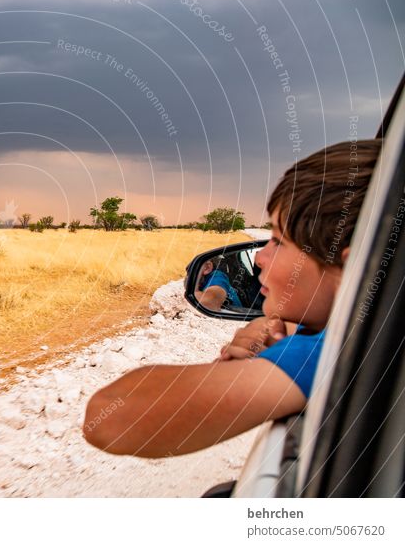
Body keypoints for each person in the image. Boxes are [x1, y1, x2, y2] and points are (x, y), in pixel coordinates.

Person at [83, 139, 381, 458]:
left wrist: (263, 356)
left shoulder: (329, 353)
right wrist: (288, 331)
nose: (261, 259)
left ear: (353, 269)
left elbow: (108, 419)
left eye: (278, 242)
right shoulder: (369, 337)